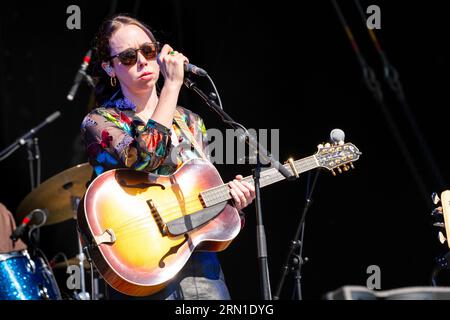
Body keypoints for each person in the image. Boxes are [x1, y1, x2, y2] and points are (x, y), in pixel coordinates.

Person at [80, 14, 255, 300]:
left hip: (200, 267)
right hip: (142, 261)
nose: (142, 61)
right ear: (110, 67)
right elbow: (146, 158)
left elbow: (203, 192)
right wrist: (172, 86)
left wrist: (233, 202)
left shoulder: (190, 121)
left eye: (148, 51)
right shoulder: (100, 122)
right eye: (127, 57)